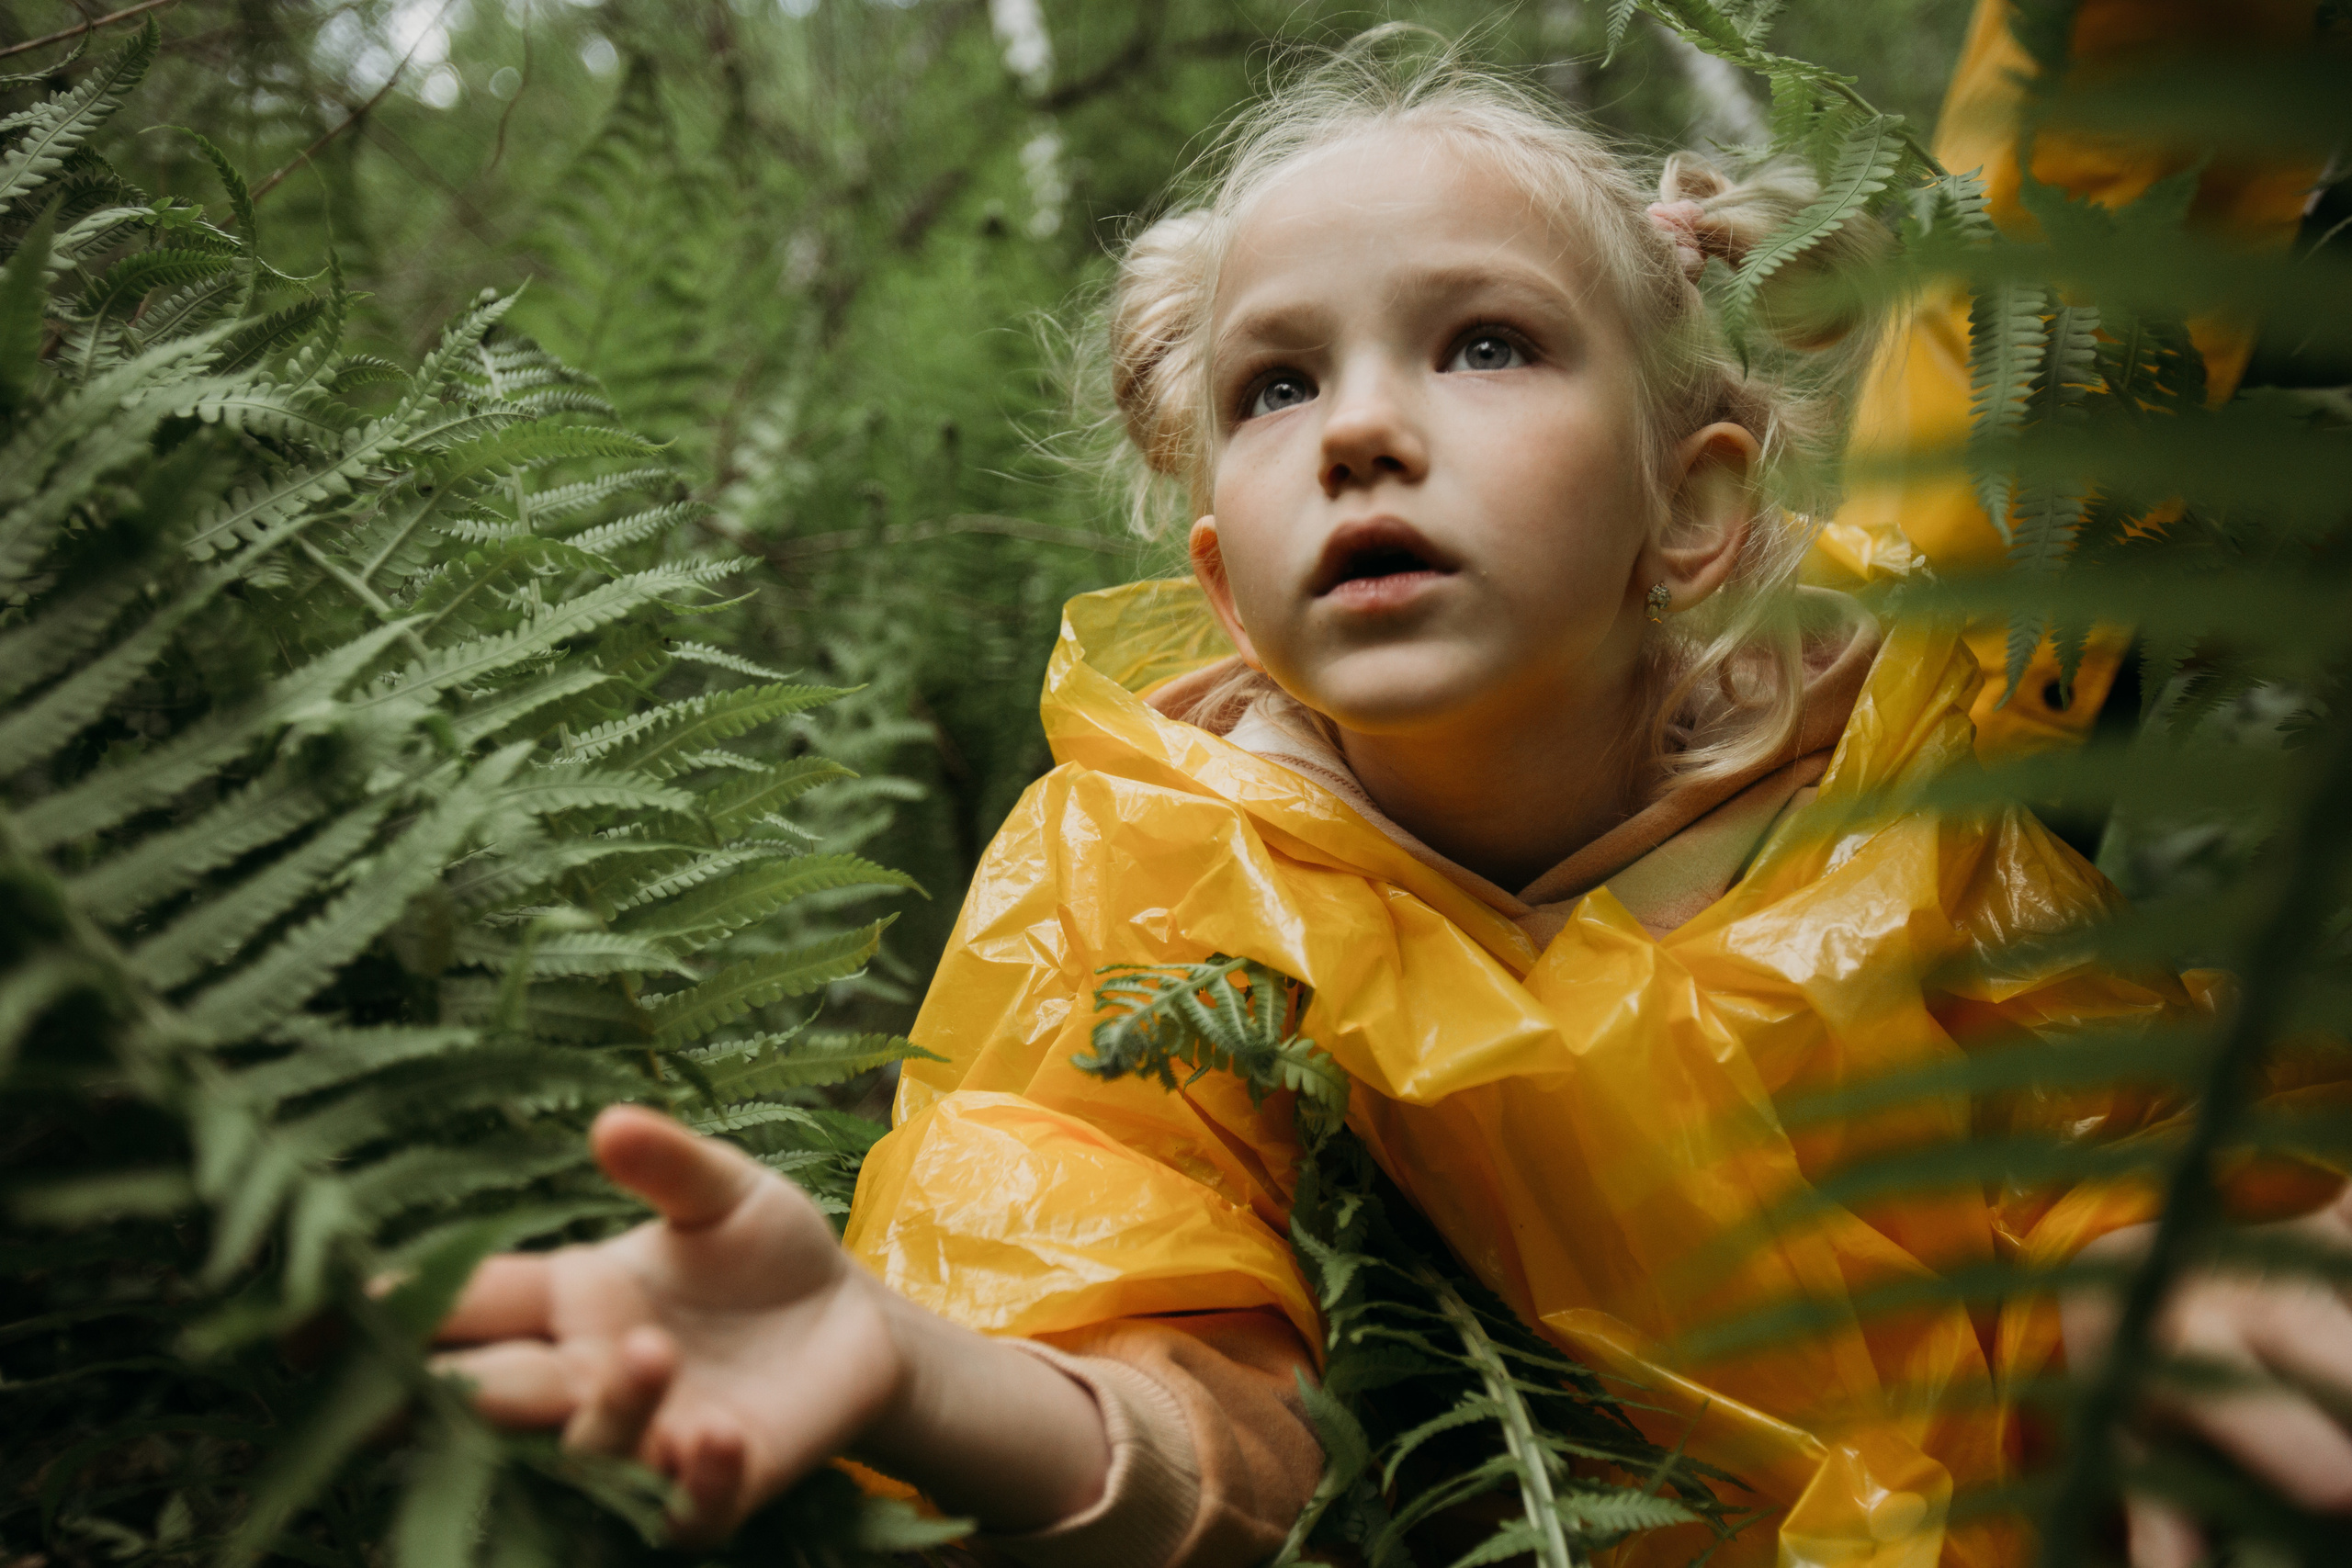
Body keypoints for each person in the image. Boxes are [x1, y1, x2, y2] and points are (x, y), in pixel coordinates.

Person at [431, 11, 2350, 1568]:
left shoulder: (1893, 759)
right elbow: (1197, 1410)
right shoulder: (1167, 872)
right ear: (1221, 583)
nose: (1356, 425)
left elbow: (2121, 1135)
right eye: (1273, 387)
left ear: (1688, 506)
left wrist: (2145, 1273)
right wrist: (911, 1371)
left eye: (1484, 341)